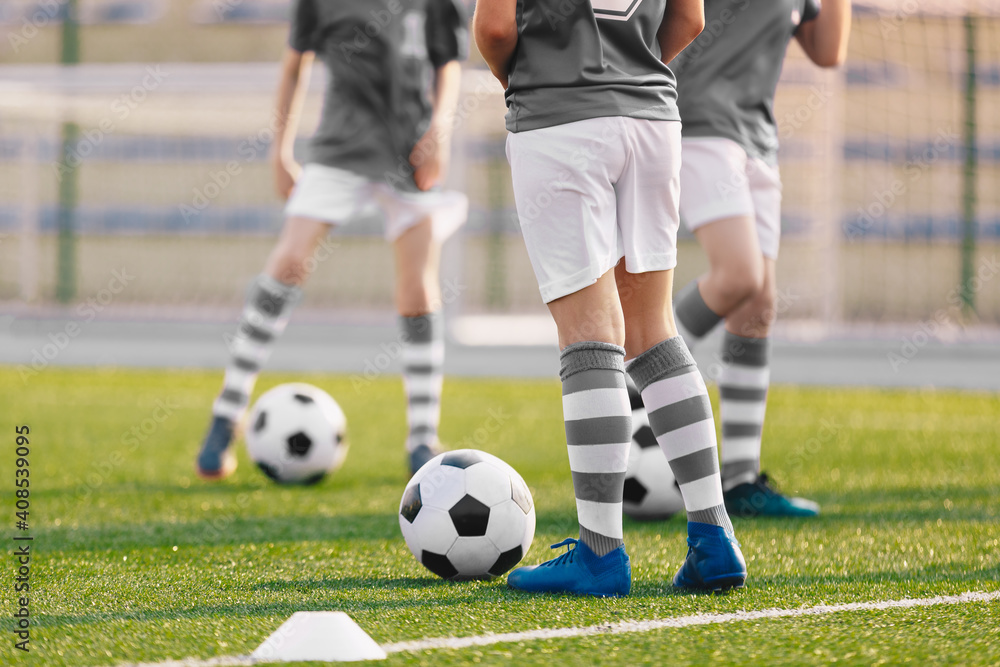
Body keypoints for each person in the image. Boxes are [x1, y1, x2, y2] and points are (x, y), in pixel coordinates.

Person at [474, 0, 746, 596]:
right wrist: (630, 69)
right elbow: (690, 18)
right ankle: (713, 532)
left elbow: (495, 27)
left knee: (589, 337)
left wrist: (519, 79)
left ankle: (600, 552)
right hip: (651, 118)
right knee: (655, 332)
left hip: (557, 116)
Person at [196, 0, 469, 481]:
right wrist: (280, 150)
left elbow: (448, 61)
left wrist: (439, 131)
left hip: (409, 154)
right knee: (288, 263)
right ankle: (227, 413)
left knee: (418, 290)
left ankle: (421, 438)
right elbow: (294, 66)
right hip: (340, 150)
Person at [660, 0, 852, 517]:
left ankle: (740, 480)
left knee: (759, 302)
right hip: (699, 120)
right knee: (739, 275)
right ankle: (636, 374)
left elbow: (828, 51)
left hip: (756, 136)